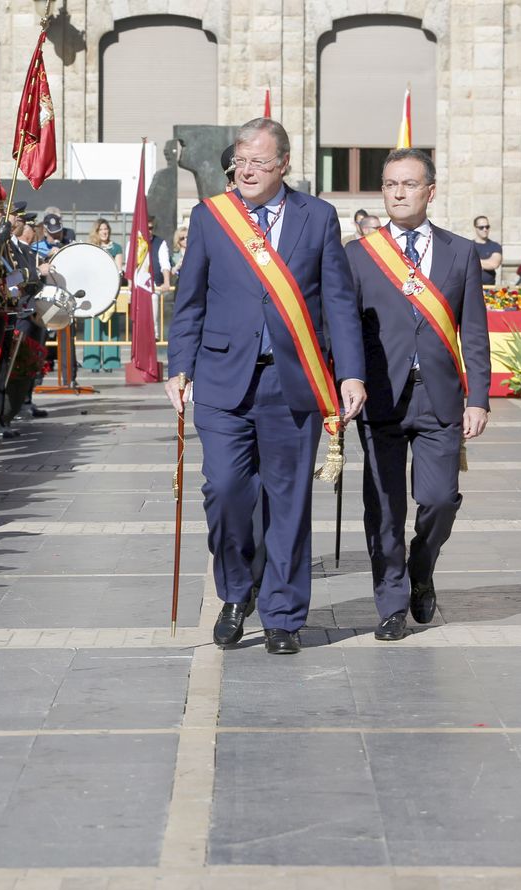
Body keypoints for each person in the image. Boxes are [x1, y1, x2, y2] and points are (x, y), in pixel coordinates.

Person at [165, 117, 366, 656]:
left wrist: (350, 372)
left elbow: (340, 305)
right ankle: (236, 592)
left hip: (293, 381)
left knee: (288, 502)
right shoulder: (211, 216)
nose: (247, 170)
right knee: (226, 491)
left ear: (284, 165)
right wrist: (178, 366)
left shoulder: (317, 217)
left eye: (259, 161)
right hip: (221, 378)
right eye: (241, 160)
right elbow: (190, 300)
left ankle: (283, 615)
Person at [346, 148, 491, 641]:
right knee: (383, 507)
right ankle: (390, 602)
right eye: (389, 185)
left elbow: (473, 332)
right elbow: (347, 331)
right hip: (382, 396)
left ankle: (422, 566)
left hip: (441, 397)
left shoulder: (460, 252)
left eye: (408, 184)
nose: (398, 193)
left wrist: (479, 398)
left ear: (430, 190)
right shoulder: (360, 254)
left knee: (439, 499)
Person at [472, 216, 502, 286]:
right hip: (472, 287)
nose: (485, 229)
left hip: (489, 287)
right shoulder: (469, 246)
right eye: (481, 227)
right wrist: (485, 263)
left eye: (487, 227)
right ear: (475, 228)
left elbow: (494, 264)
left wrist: (474, 261)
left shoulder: (495, 246)